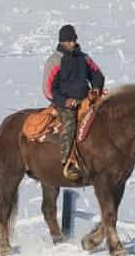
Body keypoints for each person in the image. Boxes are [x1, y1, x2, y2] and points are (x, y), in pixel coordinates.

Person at [41, 24, 105, 179]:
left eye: (73, 40)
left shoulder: (83, 58)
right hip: (64, 102)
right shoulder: (55, 61)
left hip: (85, 99)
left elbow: (97, 74)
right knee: (70, 123)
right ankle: (67, 162)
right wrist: (65, 101)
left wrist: (96, 87)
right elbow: (48, 89)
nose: (72, 43)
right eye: (69, 41)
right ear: (62, 42)